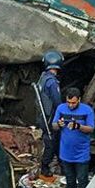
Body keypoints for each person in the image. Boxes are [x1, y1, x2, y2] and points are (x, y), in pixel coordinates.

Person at [51, 87, 95, 188]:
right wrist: (58, 125)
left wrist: (78, 126)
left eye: (73, 103)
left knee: (82, 179)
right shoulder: (61, 108)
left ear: (79, 100)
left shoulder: (87, 110)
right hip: (65, 152)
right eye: (68, 102)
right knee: (70, 178)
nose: (70, 105)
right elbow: (54, 126)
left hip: (81, 152)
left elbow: (91, 129)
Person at [34, 50, 63, 181]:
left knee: (55, 141)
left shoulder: (43, 78)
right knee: (51, 142)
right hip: (50, 117)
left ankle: (61, 164)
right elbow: (57, 101)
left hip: (44, 115)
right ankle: (45, 168)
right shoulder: (52, 82)